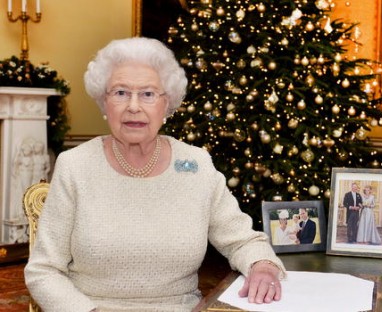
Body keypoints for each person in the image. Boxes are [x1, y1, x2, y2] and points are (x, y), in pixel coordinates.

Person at [24, 37, 285, 312]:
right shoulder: (75, 166)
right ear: (104, 101)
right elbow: (44, 270)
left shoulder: (195, 165)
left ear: (167, 103)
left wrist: (263, 266)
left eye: (148, 94)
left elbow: (242, 240)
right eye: (120, 93)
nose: (133, 106)